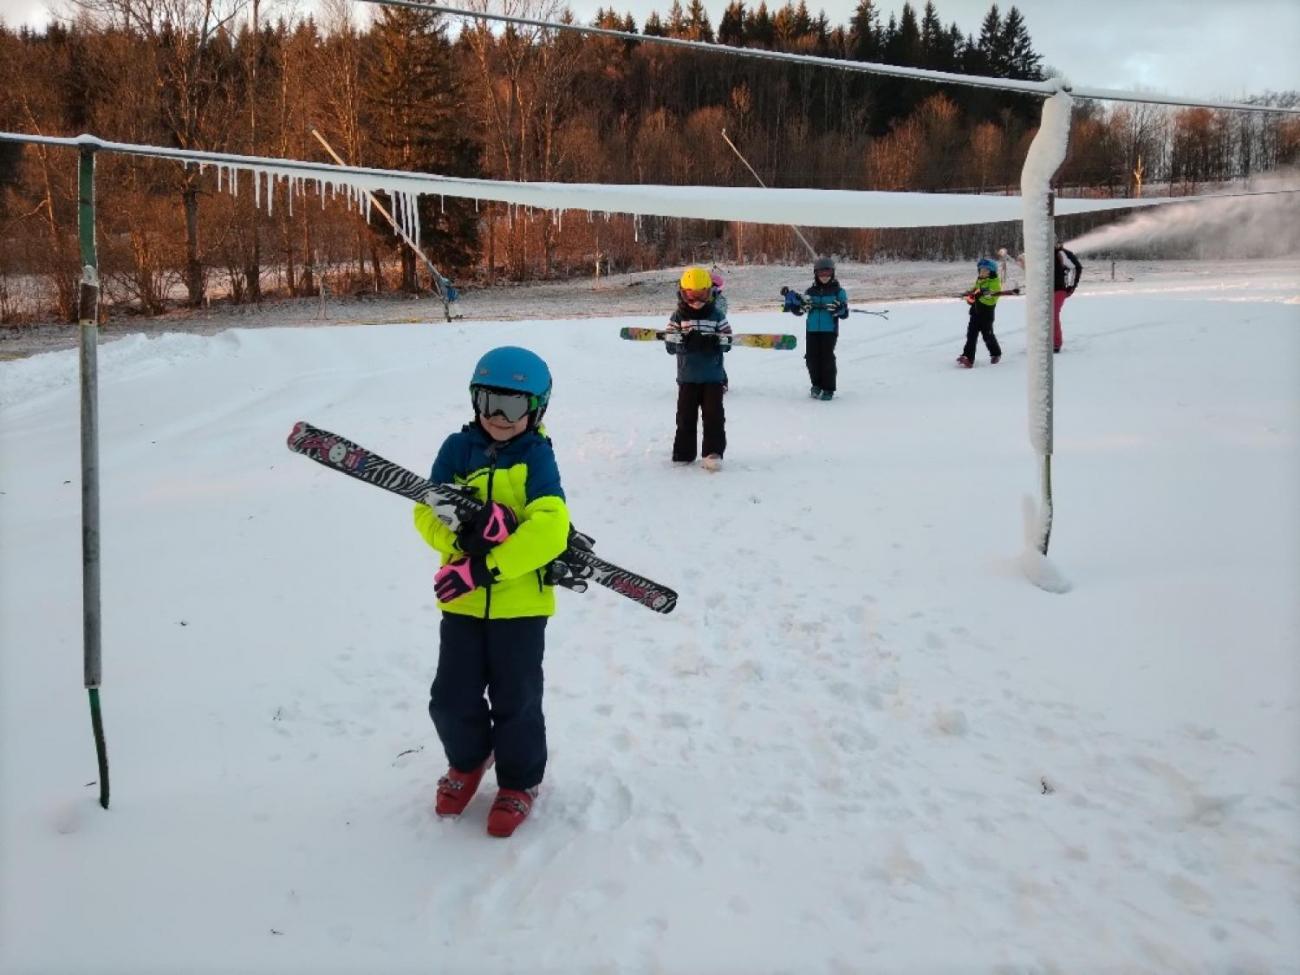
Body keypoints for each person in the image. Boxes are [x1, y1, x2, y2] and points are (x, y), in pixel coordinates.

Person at [414, 346, 570, 838]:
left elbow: (551, 529)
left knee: (516, 698)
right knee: (449, 696)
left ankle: (519, 782)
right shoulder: (456, 451)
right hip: (460, 604)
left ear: (537, 409)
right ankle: (469, 759)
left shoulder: (537, 457)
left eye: (514, 406)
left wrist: (488, 568)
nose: (499, 418)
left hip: (520, 607)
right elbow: (425, 511)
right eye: (489, 402)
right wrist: (460, 538)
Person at [665, 266, 732, 470]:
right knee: (685, 416)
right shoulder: (678, 317)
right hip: (687, 378)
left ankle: (713, 453)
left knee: (714, 417)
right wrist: (684, 341)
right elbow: (669, 346)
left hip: (712, 378)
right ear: (683, 293)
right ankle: (684, 453)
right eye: (691, 295)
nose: (696, 301)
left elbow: (728, 342)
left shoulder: (716, 315)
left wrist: (714, 342)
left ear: (709, 292)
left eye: (701, 294)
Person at [790, 256, 849, 400]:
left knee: (826, 358)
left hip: (829, 331)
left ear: (832, 273)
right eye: (821, 273)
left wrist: (839, 309)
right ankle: (816, 385)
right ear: (815, 274)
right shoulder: (810, 291)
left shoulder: (838, 292)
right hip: (812, 331)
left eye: (827, 273)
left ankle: (828, 388)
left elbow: (844, 313)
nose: (824, 277)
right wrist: (797, 306)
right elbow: (799, 311)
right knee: (811, 358)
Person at [956, 257, 1019, 368]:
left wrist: (979, 297)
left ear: (991, 272)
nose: (982, 272)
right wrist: (969, 293)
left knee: (987, 336)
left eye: (986, 270)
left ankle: (996, 353)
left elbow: (992, 299)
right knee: (971, 335)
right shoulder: (980, 280)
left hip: (986, 315)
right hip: (975, 313)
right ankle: (968, 357)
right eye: (981, 270)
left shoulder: (995, 283)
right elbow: (975, 290)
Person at [1053, 241, 1083, 353]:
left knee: (1053, 314)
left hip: (1059, 289)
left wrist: (1071, 286)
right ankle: (1041, 341)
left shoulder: (1062, 254)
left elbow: (1076, 267)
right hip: (1042, 291)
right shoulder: (1040, 254)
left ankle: (1056, 343)